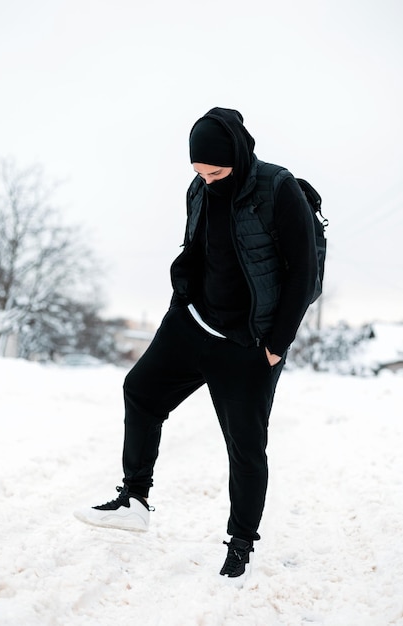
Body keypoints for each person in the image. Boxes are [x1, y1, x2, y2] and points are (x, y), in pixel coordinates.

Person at [74, 107, 319, 586]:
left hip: (247, 342)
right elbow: (197, 248)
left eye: (216, 172)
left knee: (245, 447)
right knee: (140, 391)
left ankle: (241, 543)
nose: (208, 181)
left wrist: (275, 345)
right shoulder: (199, 189)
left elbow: (304, 273)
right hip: (191, 322)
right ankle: (135, 500)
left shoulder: (277, 188)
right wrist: (178, 304)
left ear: (239, 158)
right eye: (199, 173)